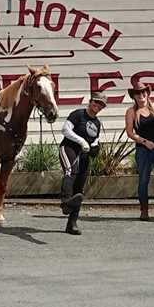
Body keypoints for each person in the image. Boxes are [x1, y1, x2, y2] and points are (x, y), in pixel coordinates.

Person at [58, 91, 106, 235]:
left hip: (84, 156)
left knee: (79, 189)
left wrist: (95, 147)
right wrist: (81, 141)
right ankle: (65, 201)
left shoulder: (97, 123)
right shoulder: (78, 114)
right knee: (70, 171)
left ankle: (72, 224)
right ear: (90, 101)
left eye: (101, 104)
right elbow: (65, 130)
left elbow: (95, 139)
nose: (98, 106)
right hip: (68, 149)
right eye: (96, 102)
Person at [124, 81, 154, 224]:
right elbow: (129, 132)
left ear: (147, 93)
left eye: (143, 92)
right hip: (143, 150)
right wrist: (145, 142)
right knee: (143, 179)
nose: (141, 95)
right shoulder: (131, 112)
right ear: (134, 96)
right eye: (138, 93)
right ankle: (144, 211)